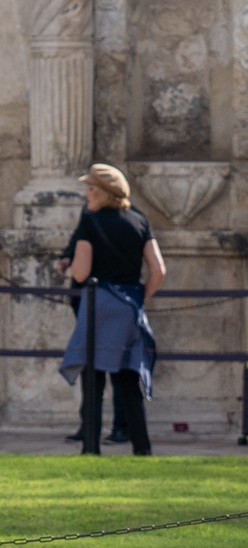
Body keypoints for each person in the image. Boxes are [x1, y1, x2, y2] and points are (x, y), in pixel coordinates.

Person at [59, 163, 166, 455]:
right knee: (128, 380)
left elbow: (80, 273)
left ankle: (91, 448)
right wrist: (141, 295)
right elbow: (158, 269)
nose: (86, 193)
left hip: (98, 303)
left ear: (103, 192)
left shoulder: (90, 222)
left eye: (90, 188)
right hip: (129, 305)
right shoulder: (139, 219)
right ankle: (142, 448)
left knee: (93, 378)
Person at [57, 219, 131, 445]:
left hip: (104, 296)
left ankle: (120, 426)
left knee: (115, 367)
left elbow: (81, 271)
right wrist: (69, 254)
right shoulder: (90, 215)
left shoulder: (121, 219)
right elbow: (79, 237)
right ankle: (90, 425)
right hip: (100, 300)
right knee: (91, 364)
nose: (88, 192)